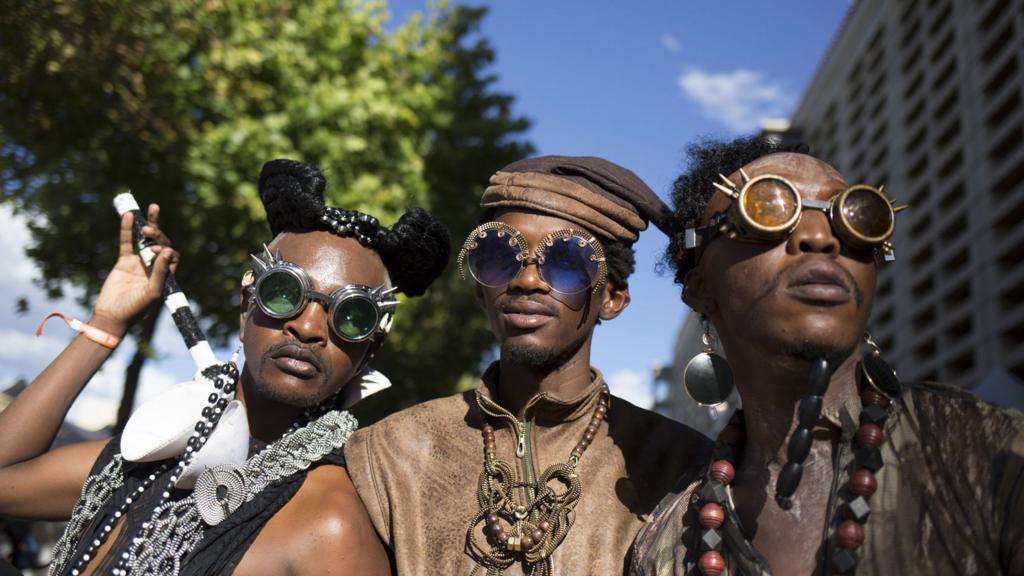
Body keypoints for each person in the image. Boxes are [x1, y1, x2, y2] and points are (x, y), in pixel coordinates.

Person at [0, 159, 450, 575]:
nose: (309, 327)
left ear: (369, 351)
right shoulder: (151, 457)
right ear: (245, 306)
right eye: (284, 293)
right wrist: (106, 325)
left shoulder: (331, 523)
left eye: (350, 317)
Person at [629, 137, 1024, 576]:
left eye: (854, 217)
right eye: (768, 209)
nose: (821, 237)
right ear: (702, 289)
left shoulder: (989, 455)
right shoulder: (668, 545)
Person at [344, 156, 713, 575]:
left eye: (567, 264)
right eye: (501, 258)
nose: (528, 281)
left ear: (611, 298)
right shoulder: (386, 454)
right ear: (481, 291)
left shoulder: (683, 465)